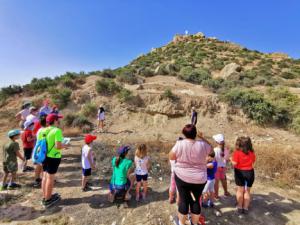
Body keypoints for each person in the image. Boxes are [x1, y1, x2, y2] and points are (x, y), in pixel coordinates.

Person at [169, 124, 212, 225]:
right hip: (199, 178)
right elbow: (212, 151)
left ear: (184, 133)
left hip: (182, 177)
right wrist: (202, 138)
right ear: (195, 134)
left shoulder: (180, 143)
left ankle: (181, 223)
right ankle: (195, 223)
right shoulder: (203, 144)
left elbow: (171, 156)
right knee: (196, 200)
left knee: (184, 201)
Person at [41, 113, 67, 208]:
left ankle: (45, 196)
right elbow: (58, 146)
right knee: (50, 178)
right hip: (53, 157)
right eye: (58, 119)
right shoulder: (57, 131)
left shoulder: (43, 130)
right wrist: (65, 145)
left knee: (44, 176)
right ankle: (48, 200)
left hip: (44, 156)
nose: (59, 121)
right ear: (55, 121)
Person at [231, 137, 256, 214]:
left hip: (240, 172)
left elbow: (234, 164)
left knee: (240, 190)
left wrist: (230, 160)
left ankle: (239, 207)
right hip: (250, 172)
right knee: (247, 191)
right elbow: (253, 161)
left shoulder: (237, 152)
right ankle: (245, 208)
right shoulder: (252, 152)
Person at [213, 134, 230, 198]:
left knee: (216, 182)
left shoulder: (214, 150)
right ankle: (226, 192)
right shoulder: (226, 149)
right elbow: (227, 159)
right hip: (223, 167)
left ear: (216, 142)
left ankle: (216, 195)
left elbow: (213, 159)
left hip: (216, 167)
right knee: (223, 180)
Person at [32, 113, 48, 188]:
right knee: (41, 165)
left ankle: (38, 179)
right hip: (43, 149)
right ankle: (39, 179)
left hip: (39, 148)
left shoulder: (39, 130)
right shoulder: (45, 130)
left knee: (40, 164)